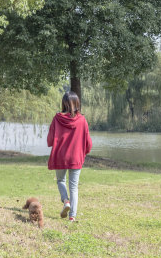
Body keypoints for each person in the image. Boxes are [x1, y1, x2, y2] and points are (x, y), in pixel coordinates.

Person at [47, 91, 92, 222]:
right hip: (76, 158)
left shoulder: (57, 118)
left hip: (60, 156)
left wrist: (53, 142)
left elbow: (50, 140)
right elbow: (88, 142)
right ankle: (72, 216)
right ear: (77, 103)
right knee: (74, 187)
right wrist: (85, 151)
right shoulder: (82, 120)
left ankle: (65, 201)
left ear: (63, 103)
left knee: (61, 181)